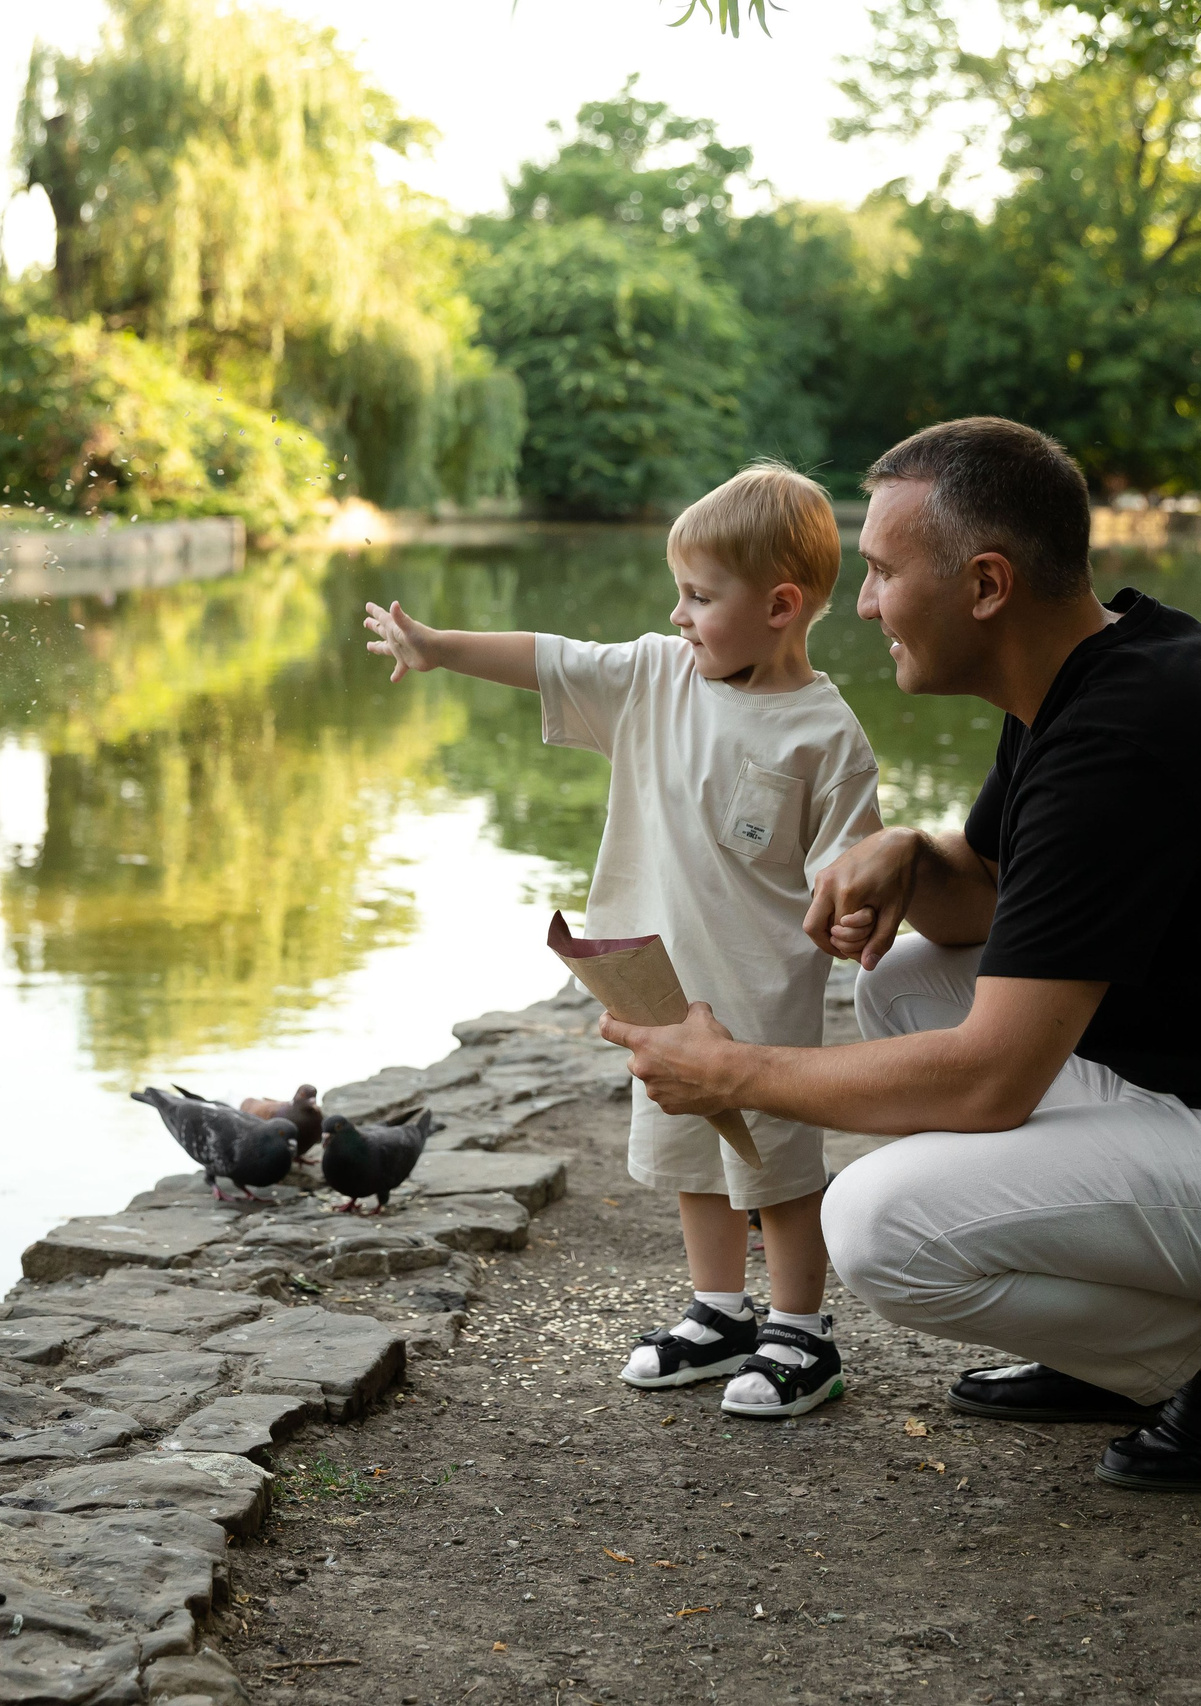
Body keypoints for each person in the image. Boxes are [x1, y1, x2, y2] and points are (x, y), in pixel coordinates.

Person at [598, 418, 1201, 1490]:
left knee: (881, 1221)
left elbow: (992, 1077)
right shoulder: (1083, 673)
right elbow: (990, 904)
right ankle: (1130, 1350)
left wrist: (732, 1072)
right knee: (905, 985)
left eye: (880, 572)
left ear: (987, 585)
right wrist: (911, 852)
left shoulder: (1120, 739)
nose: (861, 605)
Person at [364, 462, 884, 1418]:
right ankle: (720, 1311)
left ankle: (802, 1331)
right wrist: (436, 644)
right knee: (690, 1148)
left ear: (779, 605)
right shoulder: (654, 676)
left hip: (761, 994)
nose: (678, 614)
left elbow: (850, 864)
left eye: (698, 596)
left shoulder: (827, 734)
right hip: (656, 977)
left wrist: (851, 911)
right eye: (675, 594)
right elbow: (548, 656)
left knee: (775, 1166)